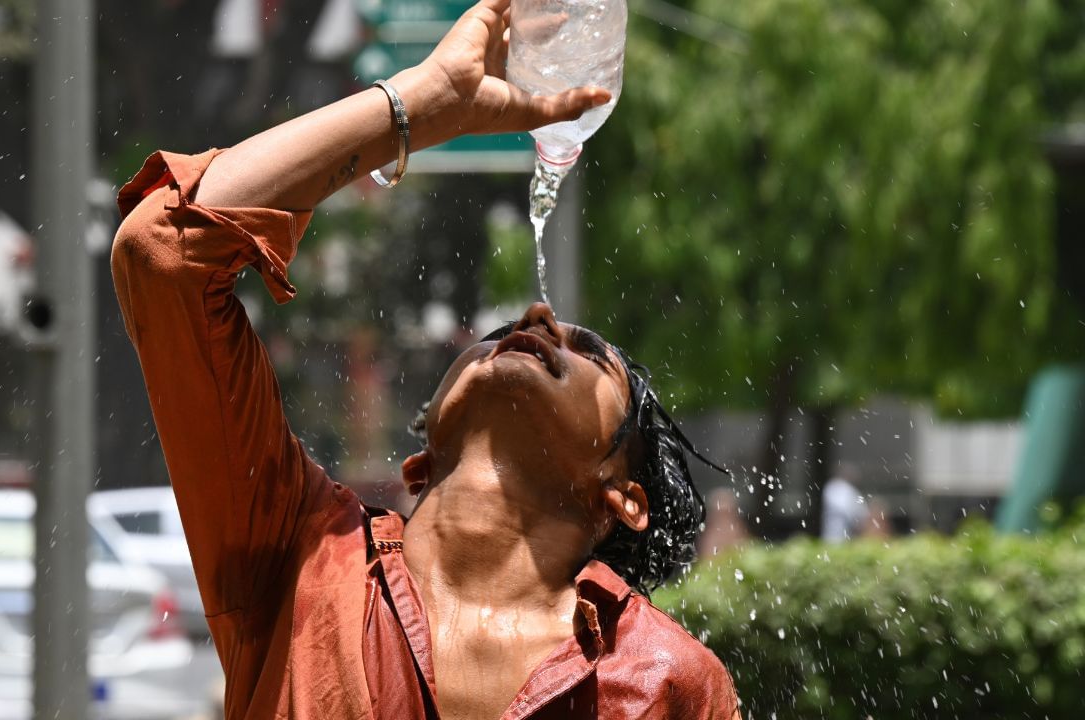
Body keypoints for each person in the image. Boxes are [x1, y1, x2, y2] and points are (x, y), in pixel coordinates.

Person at [111, 1, 740, 717]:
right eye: (506, 325)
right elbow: (161, 253)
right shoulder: (299, 554)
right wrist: (419, 104)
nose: (536, 318)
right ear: (422, 453)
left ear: (621, 498)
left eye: (592, 350)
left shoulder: (668, 681)